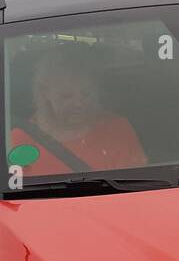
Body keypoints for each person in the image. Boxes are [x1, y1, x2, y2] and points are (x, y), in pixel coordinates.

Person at [8, 47, 145, 174]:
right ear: (45, 93)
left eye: (86, 93)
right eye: (66, 96)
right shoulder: (21, 139)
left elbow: (137, 185)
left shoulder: (118, 129)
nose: (78, 103)